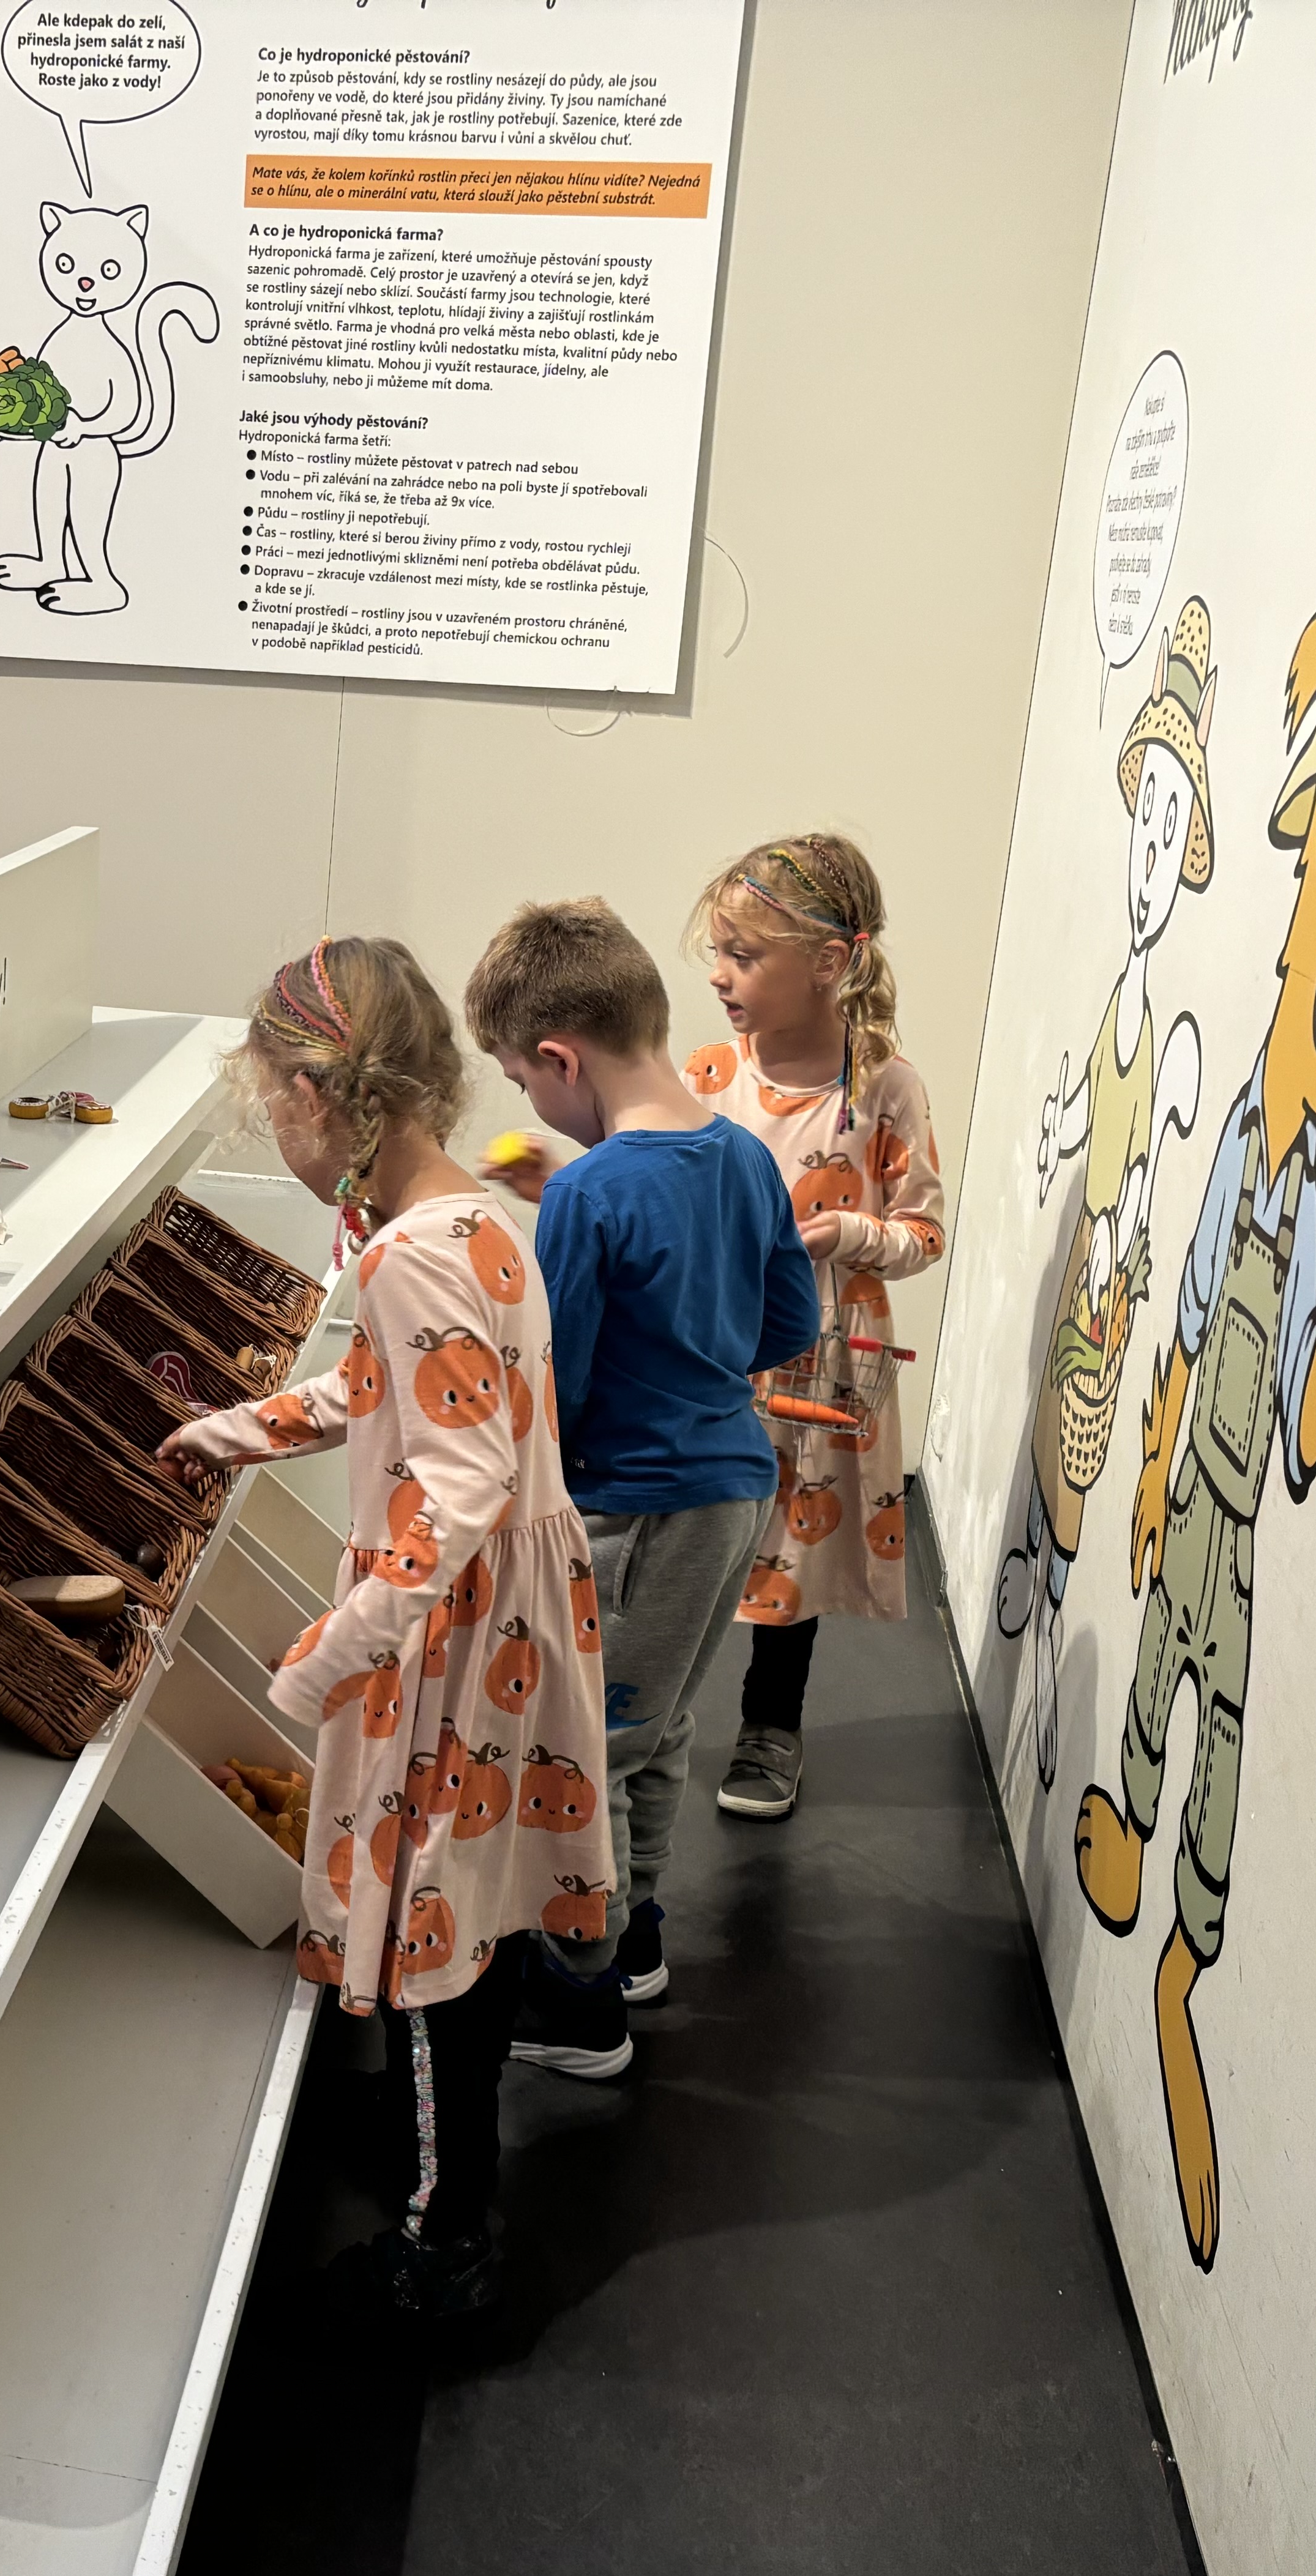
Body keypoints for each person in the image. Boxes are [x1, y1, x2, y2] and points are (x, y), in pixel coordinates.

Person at [162, 934, 607, 2320]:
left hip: (447, 1638)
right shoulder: (476, 1217)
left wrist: (332, 1648)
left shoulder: (409, 1256)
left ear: (317, 1096)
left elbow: (459, 1485)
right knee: (472, 1909)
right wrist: (246, 1427)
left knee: (425, 1932)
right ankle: (437, 2140)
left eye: (272, 1105)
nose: (279, 1131)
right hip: (511, 1621)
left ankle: (441, 2244)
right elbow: (391, 1385)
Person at [463, 899, 817, 2078]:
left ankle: (578, 1996)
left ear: (559, 1058)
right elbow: (787, 1320)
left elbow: (554, 1378)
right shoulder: (745, 1156)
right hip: (733, 1490)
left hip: (634, 1509)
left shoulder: (590, 1195)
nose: (529, 1102)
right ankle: (636, 1937)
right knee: (655, 1727)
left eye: (522, 1080)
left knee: (586, 1752)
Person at [679, 835, 948, 1820]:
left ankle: (769, 1724)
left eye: (744, 956)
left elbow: (925, 1232)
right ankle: (656, 1709)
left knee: (797, 1539)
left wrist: (851, 1233)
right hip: (716, 1350)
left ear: (829, 963)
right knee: (695, 1528)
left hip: (826, 1359)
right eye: (717, 952)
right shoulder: (707, 1077)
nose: (719, 975)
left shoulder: (884, 1086)